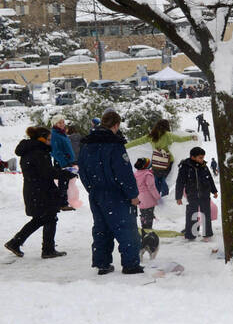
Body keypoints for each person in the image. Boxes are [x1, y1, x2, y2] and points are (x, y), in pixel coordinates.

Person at [78, 110, 144, 274]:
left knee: (101, 229)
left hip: (96, 194)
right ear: (116, 125)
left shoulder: (86, 145)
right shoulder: (115, 146)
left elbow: (83, 171)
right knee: (126, 228)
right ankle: (130, 264)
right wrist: (133, 195)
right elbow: (124, 174)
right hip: (116, 194)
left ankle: (102, 263)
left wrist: (91, 189)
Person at [5, 126, 73, 259]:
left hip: (36, 190)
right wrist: (66, 173)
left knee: (44, 218)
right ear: (41, 139)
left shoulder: (32, 150)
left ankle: (19, 243)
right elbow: (47, 172)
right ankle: (45, 249)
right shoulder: (38, 152)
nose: (50, 142)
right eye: (49, 139)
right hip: (40, 191)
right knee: (48, 217)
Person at [175, 146, 219, 241]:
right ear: (193, 157)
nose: (202, 160)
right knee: (192, 214)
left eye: (203, 157)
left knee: (206, 214)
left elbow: (209, 178)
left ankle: (207, 234)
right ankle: (191, 234)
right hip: (192, 195)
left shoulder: (204, 166)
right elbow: (180, 182)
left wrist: (214, 191)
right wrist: (178, 197)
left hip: (205, 194)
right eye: (200, 157)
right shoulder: (185, 167)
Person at [49, 118, 76, 210]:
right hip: (61, 162)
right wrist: (64, 162)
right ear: (54, 124)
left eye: (63, 122)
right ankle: (62, 204)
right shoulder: (55, 134)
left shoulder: (62, 133)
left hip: (67, 161)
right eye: (59, 122)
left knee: (65, 182)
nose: (62, 124)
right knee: (63, 183)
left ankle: (63, 202)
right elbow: (55, 151)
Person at [132, 157, 161, 232]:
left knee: (144, 214)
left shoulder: (135, 174)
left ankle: (144, 230)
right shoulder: (148, 174)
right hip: (148, 198)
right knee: (149, 215)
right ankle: (148, 232)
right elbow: (151, 187)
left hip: (140, 197)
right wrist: (157, 197)